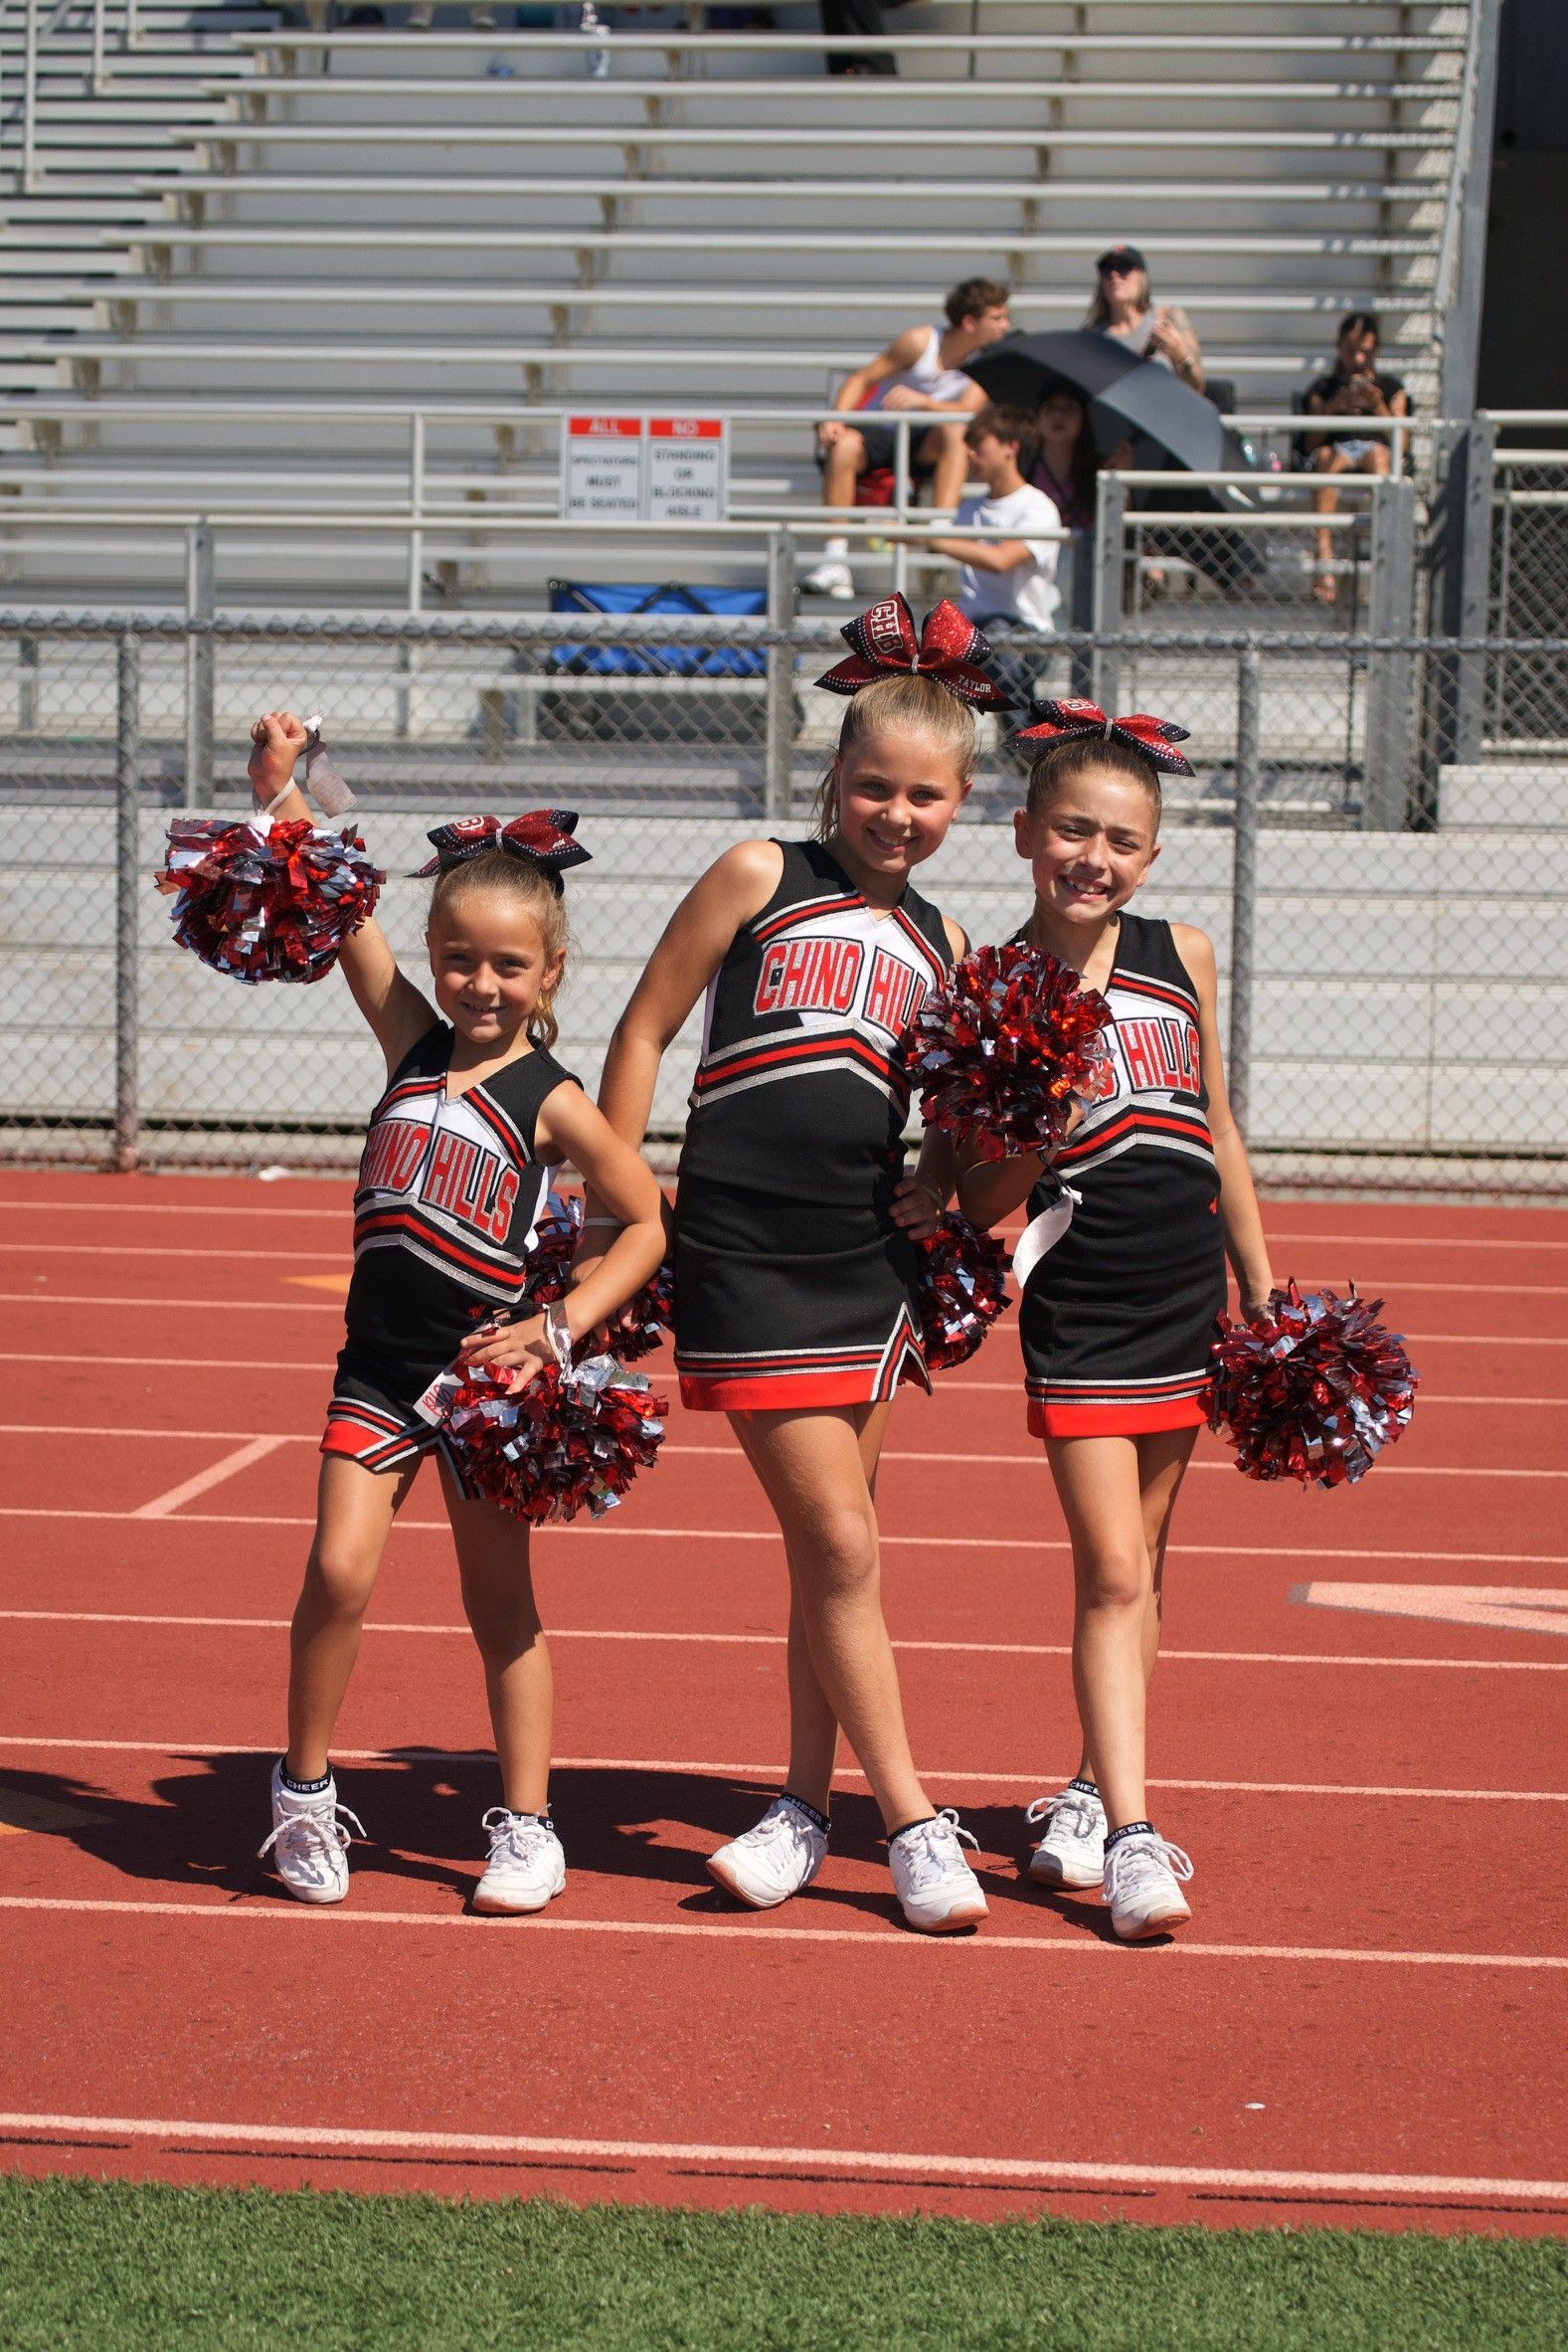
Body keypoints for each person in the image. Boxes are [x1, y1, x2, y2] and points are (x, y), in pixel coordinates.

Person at [580, 599, 1009, 1933]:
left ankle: (798, 1809)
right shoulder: (758, 871)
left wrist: (945, 1173)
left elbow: (935, 1131)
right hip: (742, 1247)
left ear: (960, 802)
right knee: (835, 1535)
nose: (896, 813)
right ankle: (915, 1821)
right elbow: (647, 1027)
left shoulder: (942, 941)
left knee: (840, 1558)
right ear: (836, 774)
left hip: (861, 1260)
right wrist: (617, 1196)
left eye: (926, 795)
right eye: (875, 785)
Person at [248, 715, 667, 1913]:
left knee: (501, 1607)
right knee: (336, 1572)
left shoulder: (552, 1097)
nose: (479, 985)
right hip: (375, 1372)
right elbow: (338, 908)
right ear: (434, 957)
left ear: (550, 973)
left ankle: (528, 1825)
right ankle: (304, 1795)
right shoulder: (408, 1042)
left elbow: (645, 1220)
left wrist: (560, 1326)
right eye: (459, 960)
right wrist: (282, 796)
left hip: (485, 1388)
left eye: (507, 966)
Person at [958, 702, 1275, 1941]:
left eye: (1122, 838)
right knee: (1111, 1568)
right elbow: (981, 1194)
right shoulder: (990, 983)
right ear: (1025, 832)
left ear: (1150, 853)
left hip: (1182, 1287)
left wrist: (1259, 1284)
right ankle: (1137, 1842)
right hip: (1080, 1302)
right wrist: (1038, 1120)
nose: (1094, 855)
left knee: (1147, 1569)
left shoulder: (1177, 952)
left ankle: (1090, 1793)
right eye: (1071, 830)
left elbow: (1218, 1126)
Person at [802, 278, 1014, 601]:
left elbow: (967, 409)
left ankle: (940, 528)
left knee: (955, 429)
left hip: (928, 444)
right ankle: (835, 559)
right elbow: (862, 379)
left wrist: (922, 402)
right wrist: (837, 417)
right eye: (997, 318)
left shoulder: (989, 361)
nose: (1006, 325)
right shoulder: (920, 341)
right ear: (970, 322)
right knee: (843, 446)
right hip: (882, 431)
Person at [925, 403, 1062, 713]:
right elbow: (937, 540)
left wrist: (935, 538)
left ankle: (1022, 745)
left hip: (1028, 630)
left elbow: (1001, 560)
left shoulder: (1037, 507)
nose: (970, 455)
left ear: (1010, 448)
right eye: (968, 446)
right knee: (933, 632)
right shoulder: (968, 509)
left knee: (1001, 638)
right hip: (974, 627)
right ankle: (1013, 741)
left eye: (979, 445)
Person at [1303, 310, 1410, 606]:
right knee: (1326, 457)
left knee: (1379, 458)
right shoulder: (1323, 389)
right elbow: (1308, 441)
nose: (1359, 359)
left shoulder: (1391, 388)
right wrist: (1334, 406)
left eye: (1365, 351)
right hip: (1336, 453)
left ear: (1376, 351)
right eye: (1351, 351)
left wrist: (1377, 406)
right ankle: (1324, 560)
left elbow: (1403, 444)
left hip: (1374, 451)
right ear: (1339, 348)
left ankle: (1385, 558)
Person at [1086, 244, 1206, 394]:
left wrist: (1179, 354)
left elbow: (1197, 387)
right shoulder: (1092, 337)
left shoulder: (1168, 317)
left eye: (1123, 268)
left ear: (1141, 277)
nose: (1114, 276)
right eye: (1106, 270)